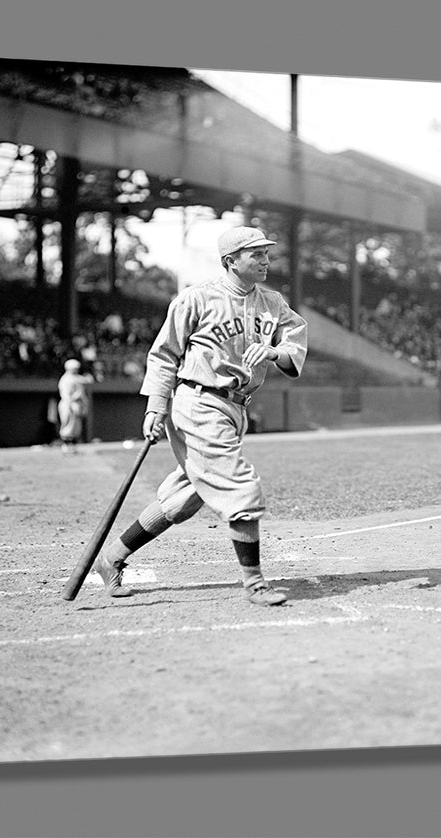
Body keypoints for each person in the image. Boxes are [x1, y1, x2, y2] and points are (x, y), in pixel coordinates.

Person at [90, 226, 308, 606]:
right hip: (198, 400)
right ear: (230, 261)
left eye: (266, 253)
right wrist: (156, 405)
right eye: (254, 254)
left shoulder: (273, 303)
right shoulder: (196, 298)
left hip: (236, 407)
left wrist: (274, 353)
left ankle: (111, 558)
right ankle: (255, 583)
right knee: (240, 485)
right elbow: (163, 355)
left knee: (185, 497)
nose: (265, 260)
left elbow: (294, 343)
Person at [57, 358, 92, 453]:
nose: (77, 370)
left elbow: (87, 380)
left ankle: (72, 447)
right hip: (69, 404)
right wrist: (70, 406)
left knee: (75, 427)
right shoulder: (66, 380)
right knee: (68, 426)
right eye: (75, 368)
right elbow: (66, 396)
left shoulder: (75, 378)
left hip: (76, 404)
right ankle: (66, 447)